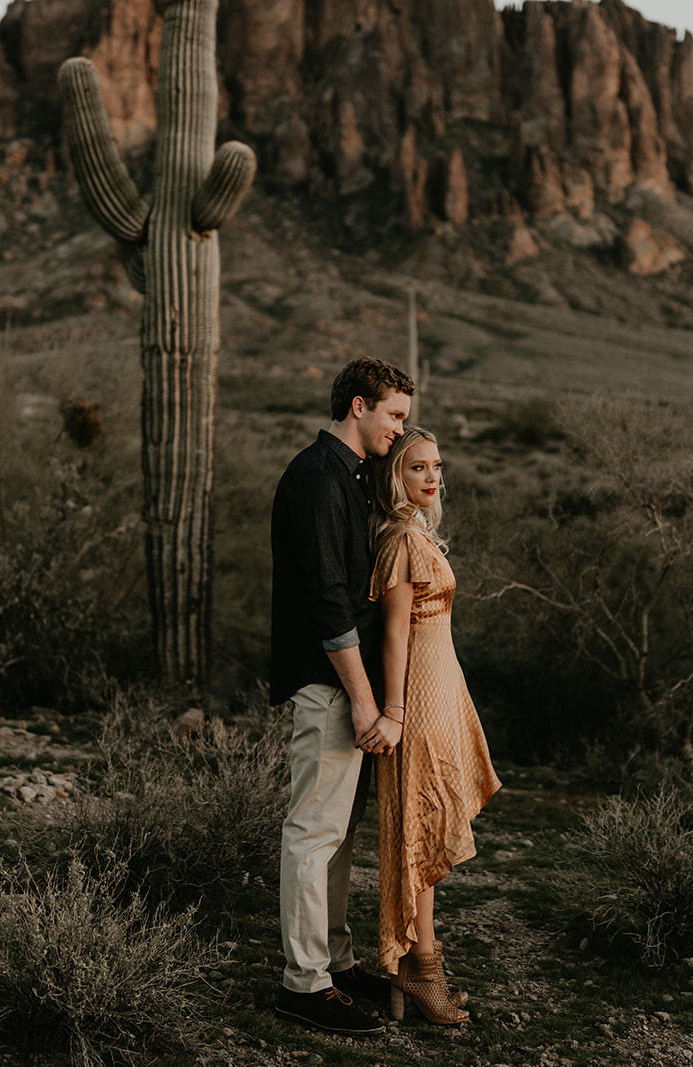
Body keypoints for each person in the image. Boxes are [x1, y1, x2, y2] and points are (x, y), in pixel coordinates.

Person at [269, 357, 415, 1036]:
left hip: (343, 683)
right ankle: (303, 983)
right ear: (359, 406)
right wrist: (363, 698)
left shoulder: (347, 478)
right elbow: (331, 603)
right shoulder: (320, 478)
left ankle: (334, 959)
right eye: (394, 415)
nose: (400, 429)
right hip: (331, 684)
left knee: (338, 834)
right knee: (312, 832)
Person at [361, 426, 501, 1025]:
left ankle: (417, 971)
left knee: (427, 828)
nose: (432, 476)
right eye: (418, 467)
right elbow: (393, 632)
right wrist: (393, 712)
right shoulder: (399, 541)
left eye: (437, 465)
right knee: (416, 833)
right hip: (416, 700)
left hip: (442, 690)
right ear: (395, 476)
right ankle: (420, 970)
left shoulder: (419, 534)